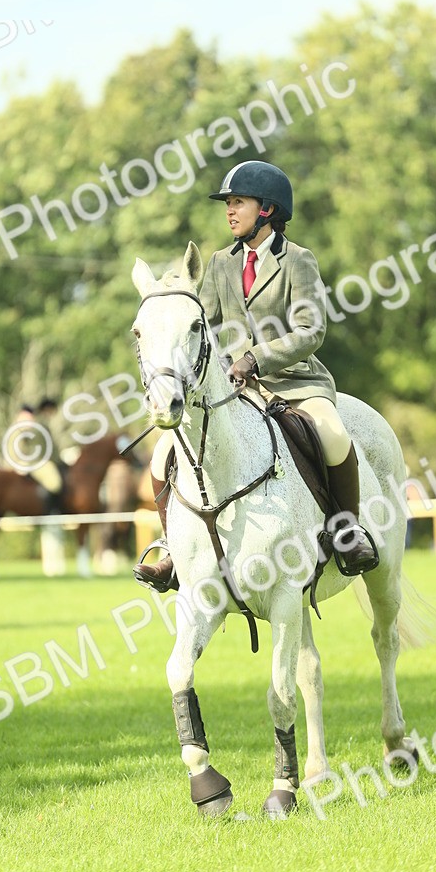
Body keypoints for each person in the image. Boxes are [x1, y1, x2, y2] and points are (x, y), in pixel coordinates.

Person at [134, 160, 378, 592]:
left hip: (295, 381)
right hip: (233, 388)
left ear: (266, 209)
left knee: (334, 434)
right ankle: (173, 547)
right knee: (161, 456)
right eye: (228, 204)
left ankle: (347, 530)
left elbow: (311, 330)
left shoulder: (298, 261)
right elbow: (201, 325)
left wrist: (255, 358)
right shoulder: (219, 263)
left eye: (238, 203)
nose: (229, 211)